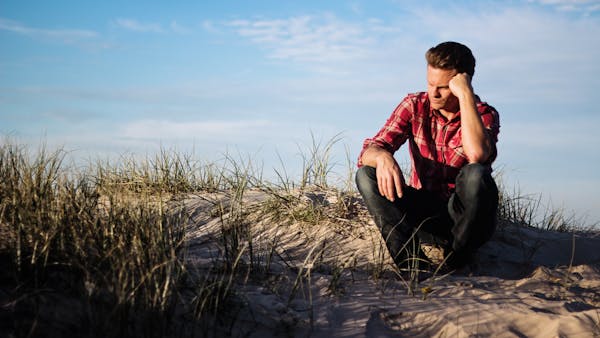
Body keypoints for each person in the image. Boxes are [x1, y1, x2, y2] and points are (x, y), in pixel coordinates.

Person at [355, 41, 500, 271]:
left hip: (468, 218)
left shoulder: (484, 114)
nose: (434, 92)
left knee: (476, 174)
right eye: (430, 83)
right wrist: (382, 157)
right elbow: (369, 150)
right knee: (365, 175)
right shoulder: (415, 105)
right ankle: (413, 265)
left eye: (443, 86)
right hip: (425, 213)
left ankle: (456, 261)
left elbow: (477, 154)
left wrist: (465, 96)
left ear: (463, 82)